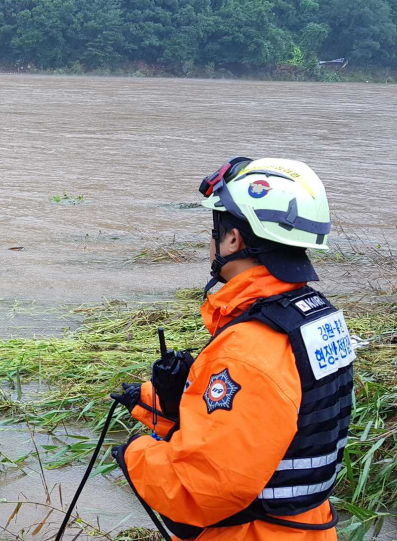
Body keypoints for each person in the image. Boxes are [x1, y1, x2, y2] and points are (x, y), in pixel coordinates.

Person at [109, 158, 352, 541]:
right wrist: (164, 405)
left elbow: (206, 488)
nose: (211, 244)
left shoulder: (247, 349)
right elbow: (281, 432)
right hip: (307, 528)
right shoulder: (316, 316)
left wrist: (138, 456)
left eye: (214, 233)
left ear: (234, 239)